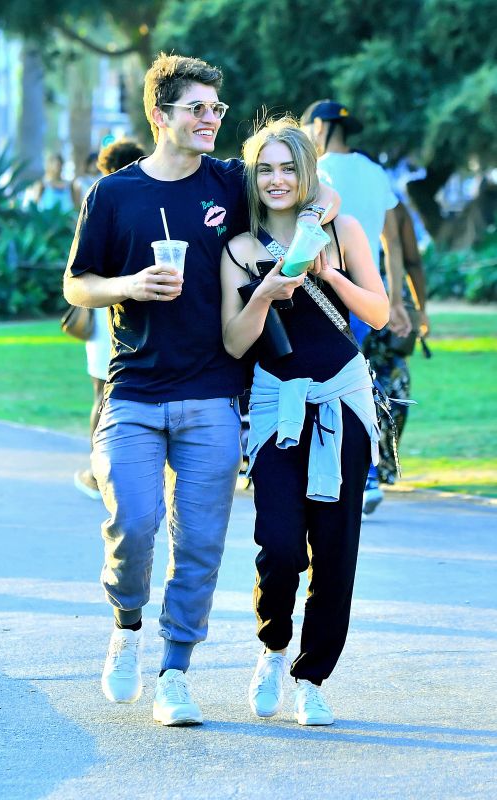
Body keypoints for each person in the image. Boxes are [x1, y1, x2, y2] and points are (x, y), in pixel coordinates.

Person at [63, 52, 341, 726]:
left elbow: (301, 187)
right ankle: (126, 622)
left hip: (214, 393)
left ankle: (174, 673)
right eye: (197, 109)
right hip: (132, 391)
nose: (211, 118)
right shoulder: (113, 194)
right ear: (161, 116)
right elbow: (77, 284)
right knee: (131, 520)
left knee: (199, 545)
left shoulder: (228, 181)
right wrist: (128, 286)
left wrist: (323, 200)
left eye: (216, 109)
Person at [220, 118, 388, 725]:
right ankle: (271, 648)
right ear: (252, 176)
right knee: (282, 544)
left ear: (307, 172)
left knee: (336, 549)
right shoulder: (239, 249)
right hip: (276, 405)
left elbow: (380, 310)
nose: (277, 179)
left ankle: (311, 677)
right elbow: (236, 344)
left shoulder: (341, 230)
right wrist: (266, 292)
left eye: (288, 167)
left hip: (342, 399)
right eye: (265, 169)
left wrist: (328, 274)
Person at [300, 99, 411, 515]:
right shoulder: (375, 171)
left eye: (310, 127)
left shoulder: (318, 170)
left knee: (335, 383)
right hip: (369, 292)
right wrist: (396, 300)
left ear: (321, 127)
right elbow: (393, 242)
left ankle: (358, 476)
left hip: (326, 288)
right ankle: (363, 475)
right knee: (357, 378)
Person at [73, 139, 146, 500]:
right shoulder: (112, 199)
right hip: (115, 314)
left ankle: (97, 467)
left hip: (106, 315)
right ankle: (102, 468)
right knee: (108, 393)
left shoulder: (101, 197)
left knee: (101, 393)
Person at [363, 197, 430, 485]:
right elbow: (412, 259)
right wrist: (420, 308)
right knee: (392, 374)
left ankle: (374, 467)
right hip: (388, 297)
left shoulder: (327, 187)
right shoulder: (393, 205)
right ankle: (379, 466)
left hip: (360, 292)